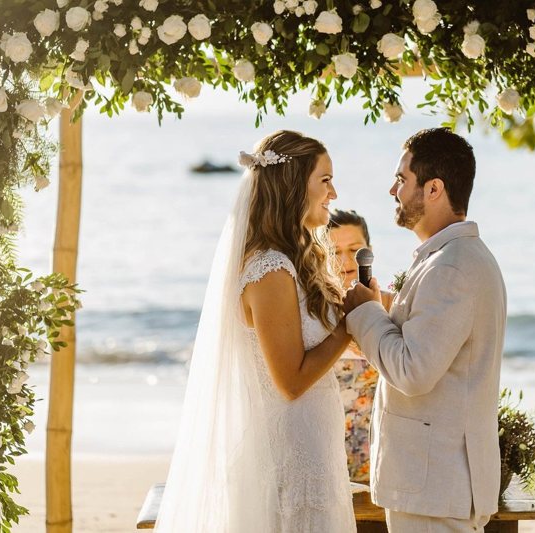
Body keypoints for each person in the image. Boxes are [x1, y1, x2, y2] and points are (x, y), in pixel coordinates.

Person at [155, 130, 356, 532]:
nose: (333, 193)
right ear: (295, 184)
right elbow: (290, 381)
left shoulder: (293, 261)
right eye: (325, 180)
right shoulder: (270, 270)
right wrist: (349, 325)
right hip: (288, 462)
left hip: (314, 453)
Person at [343, 128, 507, 532]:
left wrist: (365, 313)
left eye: (402, 180)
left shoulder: (451, 266)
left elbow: (413, 372)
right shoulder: (450, 258)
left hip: (436, 489)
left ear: (434, 189)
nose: (392, 190)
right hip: (434, 486)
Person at [328, 209, 392, 484]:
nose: (347, 260)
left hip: (385, 452)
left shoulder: (393, 304)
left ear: (369, 251)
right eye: (335, 251)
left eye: (355, 249)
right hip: (329, 455)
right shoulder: (312, 314)